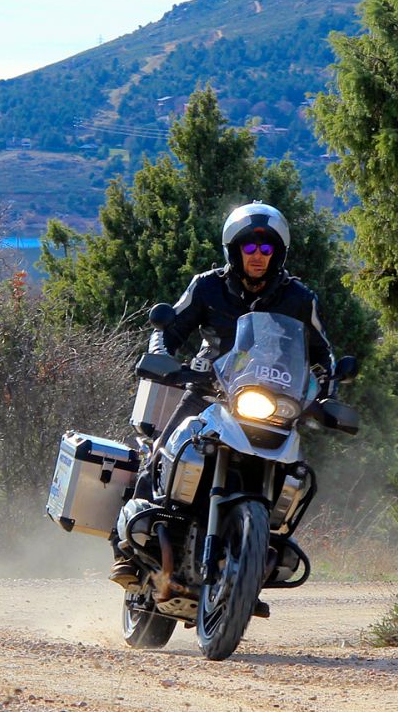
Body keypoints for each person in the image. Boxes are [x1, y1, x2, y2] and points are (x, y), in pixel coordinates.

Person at [110, 200, 335, 587]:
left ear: (278, 253)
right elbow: (169, 329)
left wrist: (326, 389)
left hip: (270, 399)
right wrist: (163, 358)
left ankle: (264, 550)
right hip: (208, 389)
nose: (258, 256)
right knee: (163, 451)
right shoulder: (207, 286)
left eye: (266, 249)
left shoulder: (299, 298)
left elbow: (321, 354)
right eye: (249, 248)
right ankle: (125, 551)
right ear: (234, 251)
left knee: (295, 470)